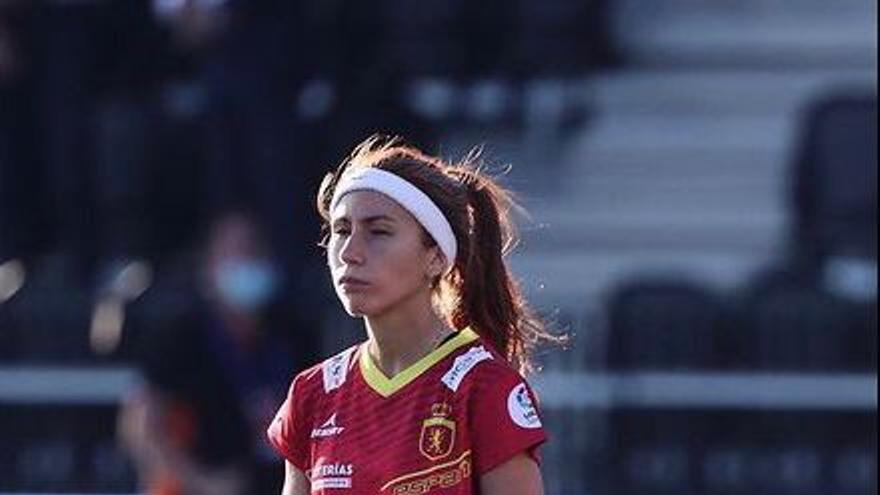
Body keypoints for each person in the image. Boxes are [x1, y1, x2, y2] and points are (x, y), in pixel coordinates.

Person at [267, 136, 561, 494]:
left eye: (378, 232)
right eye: (341, 230)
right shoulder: (312, 394)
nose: (350, 252)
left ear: (435, 257)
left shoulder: (483, 387)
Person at [119, 210, 318, 495]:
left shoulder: (293, 333)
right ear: (209, 267)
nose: (246, 261)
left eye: (254, 250)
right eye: (235, 252)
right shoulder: (181, 335)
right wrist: (202, 482)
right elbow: (139, 425)